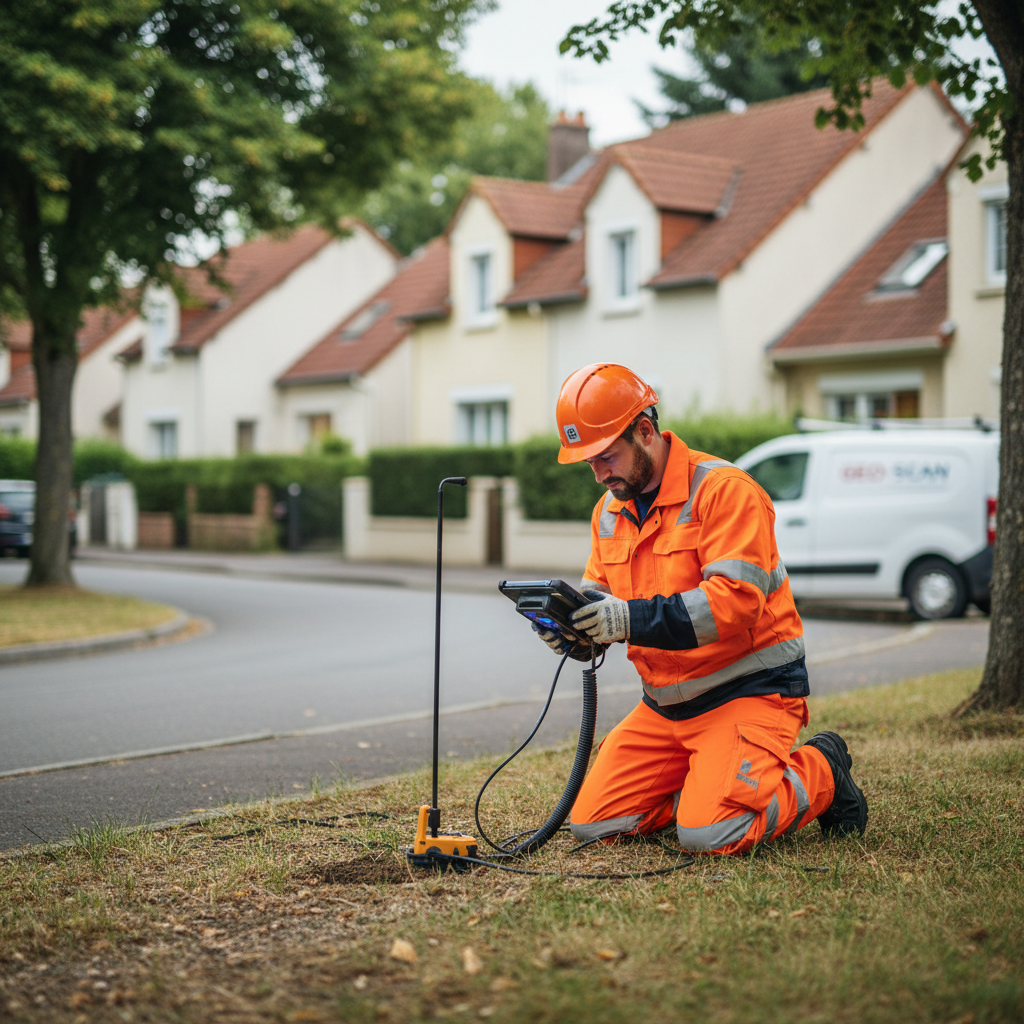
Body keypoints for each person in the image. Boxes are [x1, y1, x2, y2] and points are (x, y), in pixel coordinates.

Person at [534, 363, 867, 854]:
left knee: (712, 833)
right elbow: (600, 603)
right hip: (667, 707)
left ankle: (823, 770)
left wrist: (624, 620)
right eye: (589, 463)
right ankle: (708, 782)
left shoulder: (725, 491)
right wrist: (576, 633)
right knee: (594, 825)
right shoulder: (609, 511)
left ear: (645, 431)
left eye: (606, 456)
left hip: (749, 693)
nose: (599, 474)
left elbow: (733, 603)